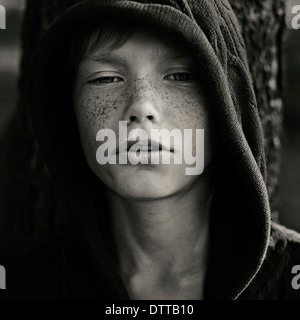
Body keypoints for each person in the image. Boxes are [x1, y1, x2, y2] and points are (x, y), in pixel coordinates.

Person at [4, 0, 300, 300]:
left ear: (228, 103)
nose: (141, 107)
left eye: (181, 76)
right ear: (68, 113)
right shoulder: (27, 290)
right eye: (106, 78)